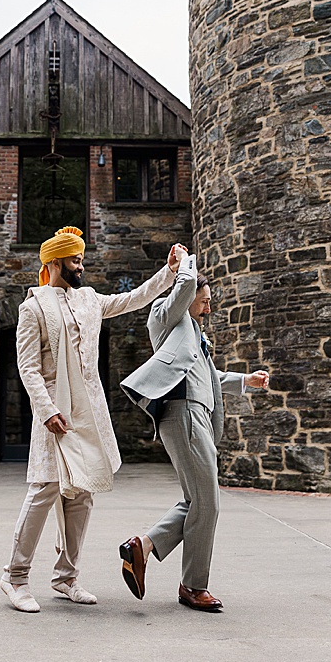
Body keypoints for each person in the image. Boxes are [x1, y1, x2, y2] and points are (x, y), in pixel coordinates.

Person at [0, 227, 180, 613]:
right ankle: (15, 577)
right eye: (75, 259)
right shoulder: (33, 307)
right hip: (54, 413)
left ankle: (66, 578)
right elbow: (28, 368)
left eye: (82, 259)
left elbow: (134, 299)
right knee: (45, 489)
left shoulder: (89, 299)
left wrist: (166, 273)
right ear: (54, 263)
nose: (81, 265)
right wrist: (47, 411)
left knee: (82, 495)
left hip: (88, 413)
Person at [117, 248, 269, 612]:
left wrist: (245, 380)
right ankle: (193, 586)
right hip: (183, 415)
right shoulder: (166, 317)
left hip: (198, 416)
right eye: (206, 300)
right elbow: (184, 286)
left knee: (196, 501)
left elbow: (208, 378)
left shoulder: (194, 336)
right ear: (190, 293)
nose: (210, 308)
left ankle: (143, 546)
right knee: (209, 501)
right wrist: (187, 262)